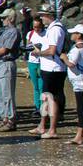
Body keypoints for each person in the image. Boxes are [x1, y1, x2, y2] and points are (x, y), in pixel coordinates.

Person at [29, 8, 67, 139]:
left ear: (48, 15)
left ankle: (52, 129)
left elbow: (52, 51)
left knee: (52, 99)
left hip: (54, 69)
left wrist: (38, 53)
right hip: (48, 68)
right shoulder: (51, 28)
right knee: (45, 98)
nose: (42, 19)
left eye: (43, 16)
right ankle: (42, 125)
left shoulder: (55, 29)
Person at [0, 8, 22, 130]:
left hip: (6, 63)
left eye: (4, 18)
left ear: (10, 18)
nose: (2, 20)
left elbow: (5, 49)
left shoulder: (13, 31)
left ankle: (11, 120)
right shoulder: (4, 32)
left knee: (7, 93)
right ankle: (4, 118)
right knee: (0, 94)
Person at [64, 24, 83, 146]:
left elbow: (71, 64)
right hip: (81, 80)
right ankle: (79, 135)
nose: (72, 34)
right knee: (82, 108)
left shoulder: (77, 48)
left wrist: (64, 58)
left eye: (74, 33)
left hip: (80, 82)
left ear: (79, 35)